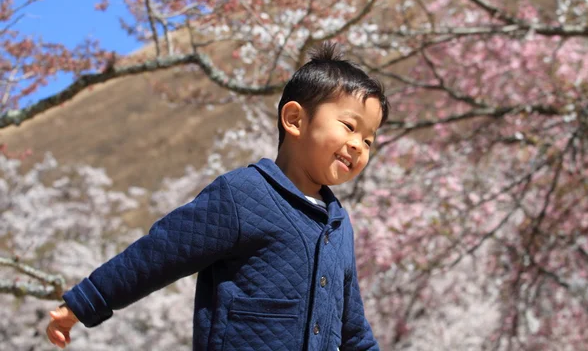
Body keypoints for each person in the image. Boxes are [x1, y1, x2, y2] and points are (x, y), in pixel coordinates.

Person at [46, 42, 389, 350]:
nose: (358, 144)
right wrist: (85, 302)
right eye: (349, 126)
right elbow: (159, 253)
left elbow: (353, 329)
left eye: (369, 140)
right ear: (295, 119)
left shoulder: (338, 224)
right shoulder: (244, 195)